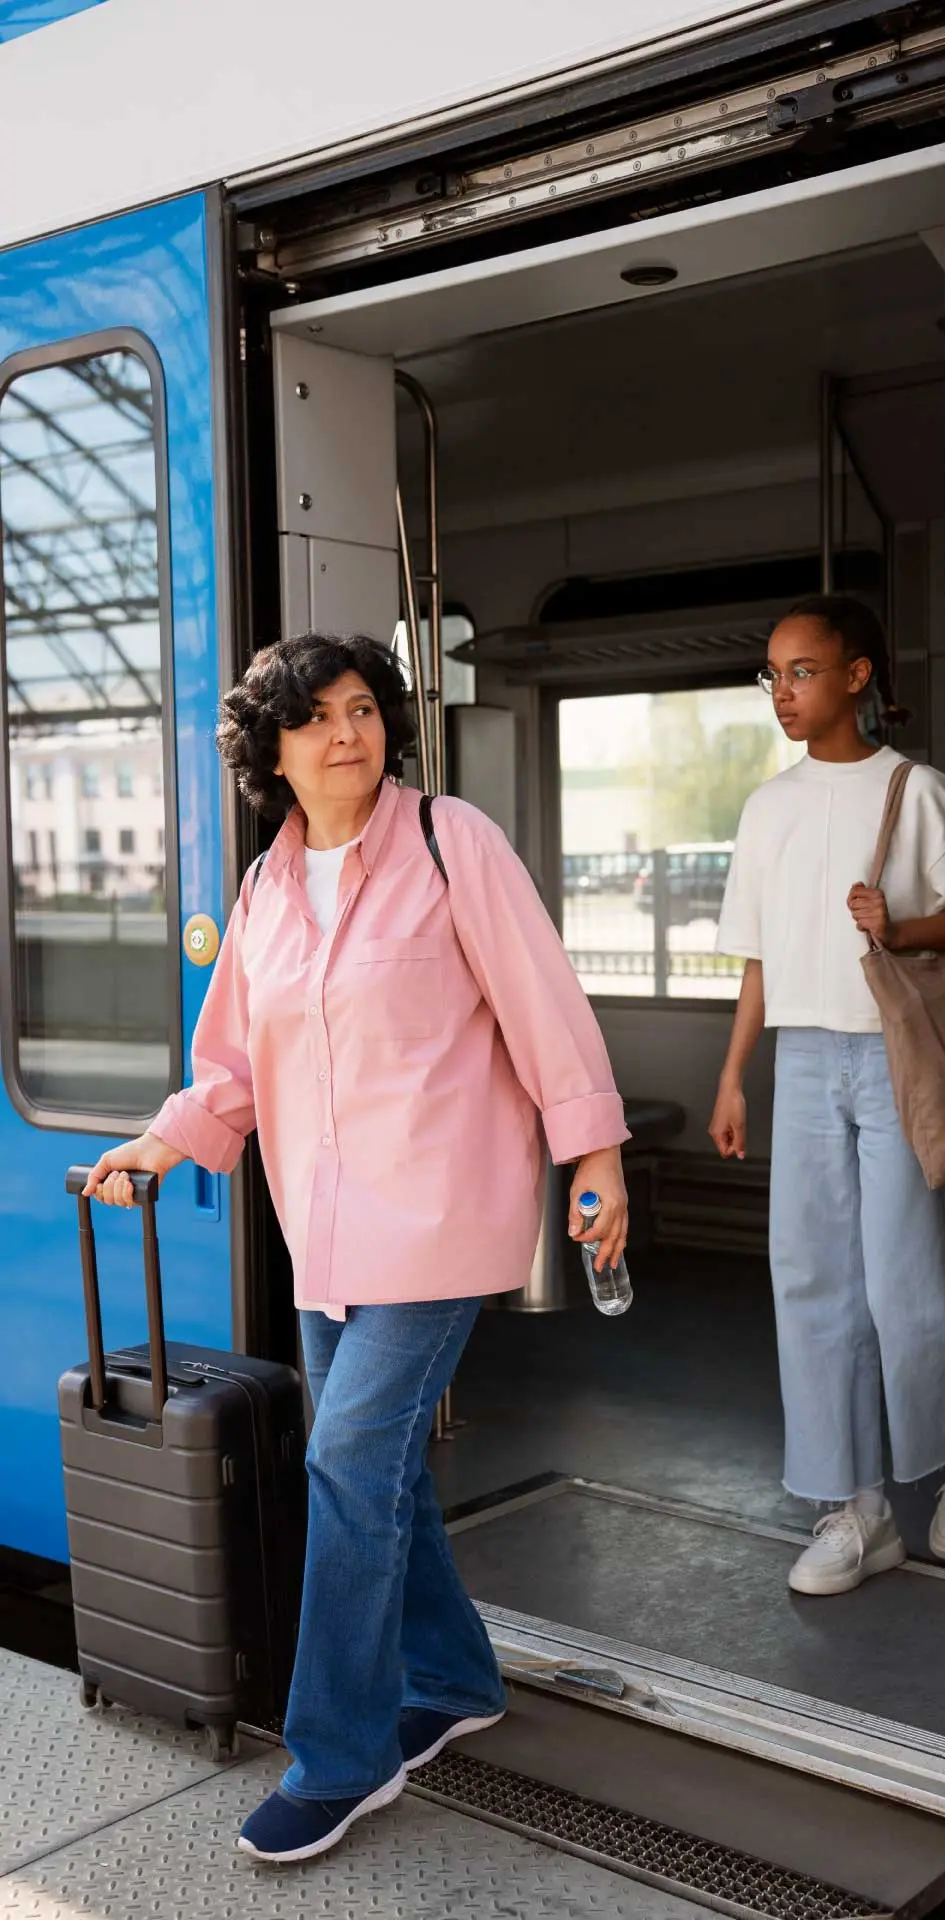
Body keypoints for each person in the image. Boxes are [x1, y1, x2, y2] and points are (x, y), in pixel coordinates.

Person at [85, 633, 629, 1862]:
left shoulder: (452, 842)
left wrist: (592, 1155)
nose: (349, 732)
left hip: (441, 1221)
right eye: (317, 716)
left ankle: (341, 1754)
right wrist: (160, 1146)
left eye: (364, 708)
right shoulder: (270, 888)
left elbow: (545, 1001)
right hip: (324, 1234)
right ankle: (454, 1679)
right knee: (374, 1475)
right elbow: (232, 1064)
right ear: (270, 750)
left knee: (343, 1463)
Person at [708, 595, 945, 1596]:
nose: (784, 693)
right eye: (774, 675)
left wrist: (898, 931)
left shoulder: (920, 790)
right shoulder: (768, 808)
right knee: (811, 1284)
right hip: (803, 1060)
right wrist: (732, 1075)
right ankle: (855, 1512)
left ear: (858, 675)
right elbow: (759, 961)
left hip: (892, 1054)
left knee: (906, 1289)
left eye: (803, 671)